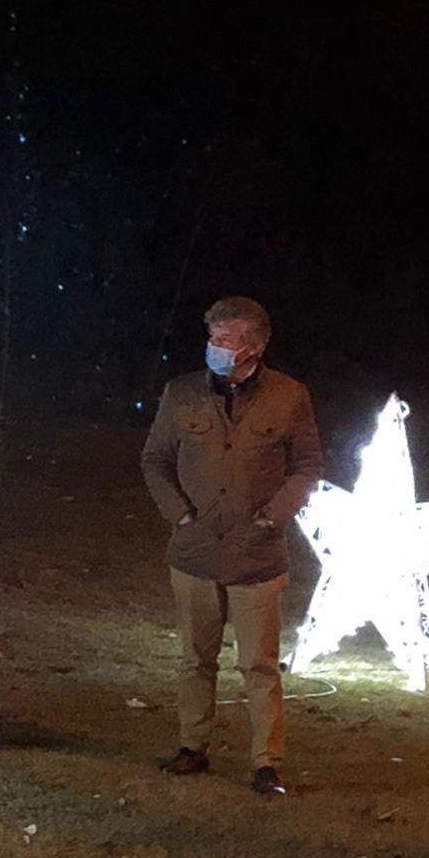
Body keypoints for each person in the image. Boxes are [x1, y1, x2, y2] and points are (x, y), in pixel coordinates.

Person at [139, 296, 323, 796]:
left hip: (257, 557)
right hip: (194, 555)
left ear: (256, 347)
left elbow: (307, 466)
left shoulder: (289, 397)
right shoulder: (182, 394)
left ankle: (266, 762)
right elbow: (154, 460)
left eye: (228, 339)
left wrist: (273, 517)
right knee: (195, 659)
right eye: (213, 337)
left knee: (259, 665)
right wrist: (178, 513)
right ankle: (191, 747)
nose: (217, 348)